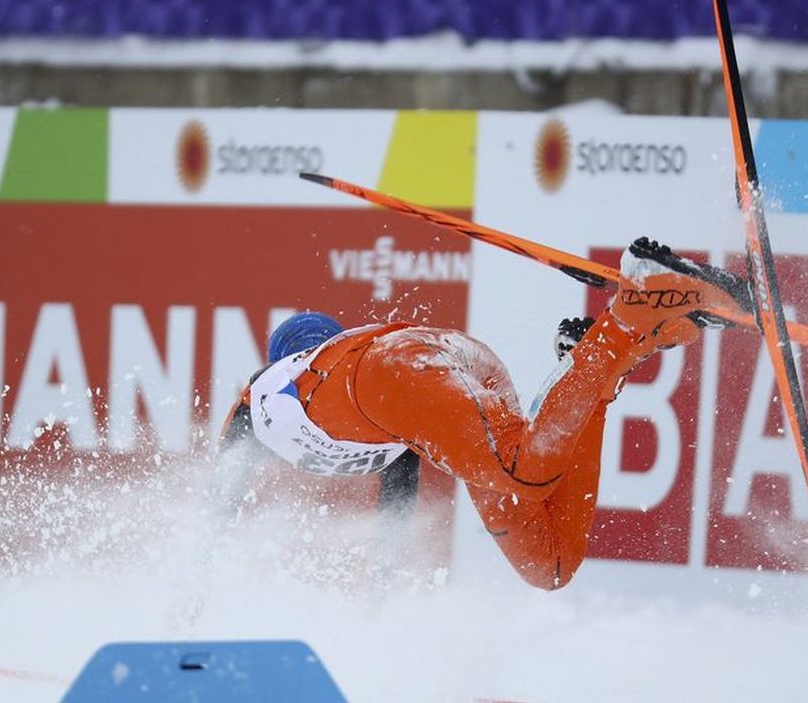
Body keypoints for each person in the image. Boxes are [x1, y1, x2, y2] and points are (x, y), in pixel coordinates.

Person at [219, 238, 751, 590]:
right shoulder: (357, 419)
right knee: (550, 563)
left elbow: (215, 496)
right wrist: (378, 601)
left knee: (526, 470)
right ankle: (609, 352)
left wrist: (191, 587)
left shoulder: (267, 392)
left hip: (405, 366)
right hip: (433, 386)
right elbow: (397, 505)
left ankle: (635, 307)